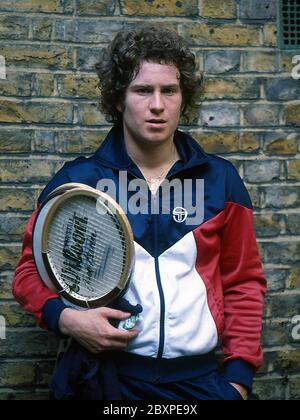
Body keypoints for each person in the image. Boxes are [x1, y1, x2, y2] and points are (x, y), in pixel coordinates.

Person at [13, 25, 267, 400]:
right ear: (119, 98)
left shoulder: (221, 181)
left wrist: (239, 380)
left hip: (199, 382)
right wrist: (66, 319)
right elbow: (29, 273)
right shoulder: (79, 182)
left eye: (170, 90)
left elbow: (243, 282)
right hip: (106, 380)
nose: (158, 105)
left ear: (184, 98)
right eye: (142, 90)